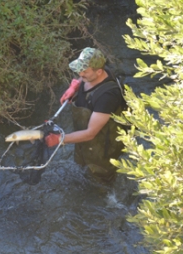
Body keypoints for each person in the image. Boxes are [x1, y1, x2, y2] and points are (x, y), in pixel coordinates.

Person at [45, 47, 126, 183]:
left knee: (101, 178)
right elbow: (83, 76)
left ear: (99, 71)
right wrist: (75, 86)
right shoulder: (96, 73)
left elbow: (90, 133)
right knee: (83, 167)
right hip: (86, 143)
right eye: (79, 69)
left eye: (84, 71)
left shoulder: (107, 96)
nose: (80, 73)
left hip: (103, 145)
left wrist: (59, 139)